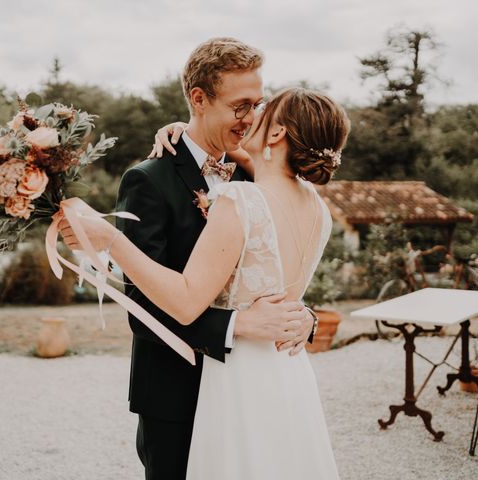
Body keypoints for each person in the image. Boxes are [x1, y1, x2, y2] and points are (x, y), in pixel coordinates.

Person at [63, 38, 325, 479]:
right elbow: (141, 307)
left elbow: (278, 269)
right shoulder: (149, 180)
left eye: (258, 105)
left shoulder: (255, 176)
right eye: (240, 106)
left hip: (250, 388)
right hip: (175, 390)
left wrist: (303, 317)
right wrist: (233, 327)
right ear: (199, 99)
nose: (251, 119)